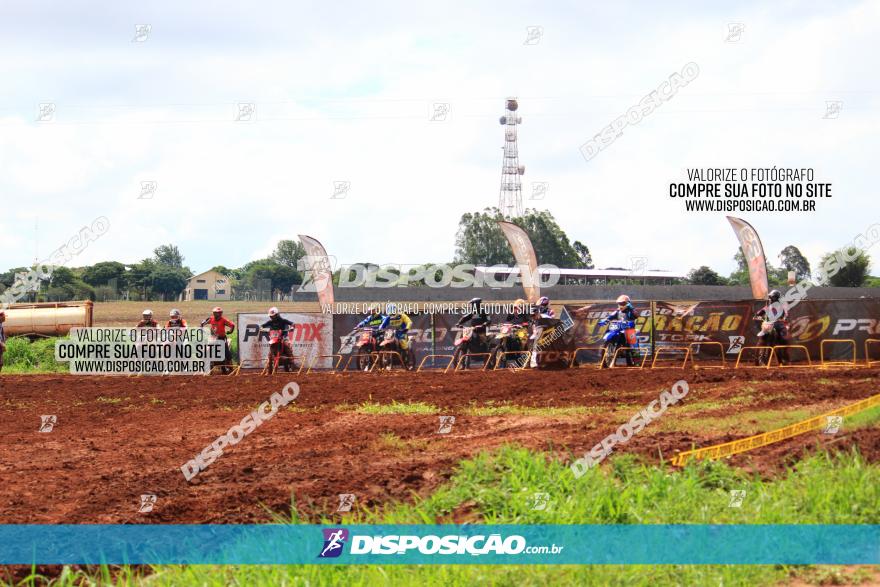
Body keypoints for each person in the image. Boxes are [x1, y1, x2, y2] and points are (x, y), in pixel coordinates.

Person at [754, 290, 790, 364]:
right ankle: (758, 356)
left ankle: (784, 357)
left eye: (772, 297)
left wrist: (784, 318)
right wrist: (757, 315)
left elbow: (786, 313)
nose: (770, 298)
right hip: (768, 324)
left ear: (776, 298)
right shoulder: (768, 306)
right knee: (762, 335)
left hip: (779, 324)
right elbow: (760, 312)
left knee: (784, 337)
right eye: (770, 297)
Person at [201, 307, 235, 374]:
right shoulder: (211, 319)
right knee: (206, 350)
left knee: (226, 352)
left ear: (221, 314)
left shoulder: (223, 320)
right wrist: (202, 329)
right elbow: (202, 323)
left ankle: (230, 367)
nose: (217, 315)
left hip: (222, 338)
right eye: (216, 313)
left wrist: (230, 332)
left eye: (219, 313)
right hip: (212, 338)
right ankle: (206, 366)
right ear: (213, 313)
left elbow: (232, 325)